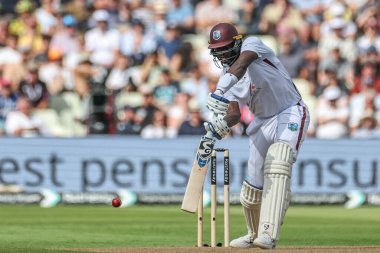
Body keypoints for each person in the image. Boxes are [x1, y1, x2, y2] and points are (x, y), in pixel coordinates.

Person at [204, 23, 310, 249]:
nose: (222, 54)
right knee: (252, 187)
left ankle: (268, 234)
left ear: (236, 42)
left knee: (279, 161)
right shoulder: (226, 76)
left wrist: (219, 90)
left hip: (289, 111)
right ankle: (253, 234)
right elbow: (233, 112)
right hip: (261, 121)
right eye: (218, 50)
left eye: (225, 48)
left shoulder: (252, 45)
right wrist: (220, 125)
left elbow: (242, 64)